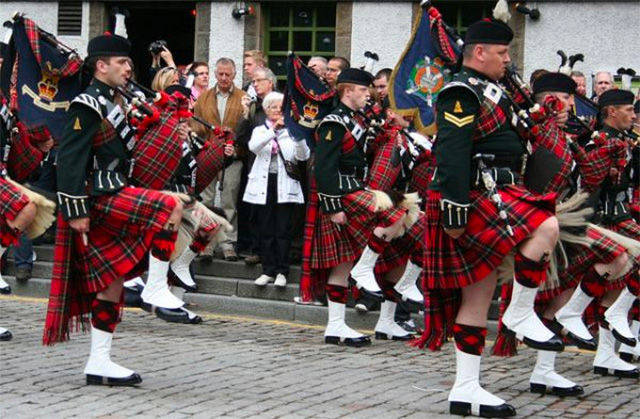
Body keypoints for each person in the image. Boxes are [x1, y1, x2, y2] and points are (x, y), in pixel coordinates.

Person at [420, 14, 562, 417]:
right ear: (478, 52)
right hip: (475, 194)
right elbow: (450, 152)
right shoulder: (460, 91)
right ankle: (519, 311)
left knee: (478, 295)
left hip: (499, 189)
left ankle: (465, 390)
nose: (507, 60)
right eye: (501, 53)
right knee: (546, 224)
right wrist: (454, 209)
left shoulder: (496, 88)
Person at [42, 33, 184, 386]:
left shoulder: (115, 101)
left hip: (117, 191)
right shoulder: (87, 104)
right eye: (122, 63)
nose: (128, 68)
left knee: (112, 283)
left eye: (129, 64)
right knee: (169, 205)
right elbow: (70, 160)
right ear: (101, 66)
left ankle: (99, 361)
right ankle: (153, 287)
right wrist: (74, 210)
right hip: (98, 198)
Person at [311, 68, 411, 346]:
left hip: (356, 189)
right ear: (348, 91)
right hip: (342, 194)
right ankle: (363, 271)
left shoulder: (355, 119)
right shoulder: (333, 123)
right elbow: (324, 168)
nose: (368, 95)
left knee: (342, 264)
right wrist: (332, 206)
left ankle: (336, 326)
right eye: (364, 90)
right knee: (398, 214)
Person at [243, 92, 310, 287]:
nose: (277, 111)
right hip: (264, 185)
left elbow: (303, 156)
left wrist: (297, 136)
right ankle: (268, 270)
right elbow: (254, 147)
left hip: (285, 185)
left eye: (281, 107)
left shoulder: (293, 130)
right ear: (266, 110)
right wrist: (274, 130)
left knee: (283, 230)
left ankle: (282, 271)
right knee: (266, 229)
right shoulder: (260, 130)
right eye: (273, 107)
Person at [193, 57, 248, 261]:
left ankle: (228, 243)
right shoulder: (204, 98)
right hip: (208, 156)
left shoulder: (244, 98)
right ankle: (206, 244)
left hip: (232, 157)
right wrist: (207, 146)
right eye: (220, 74)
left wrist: (234, 147)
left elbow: (246, 130)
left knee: (229, 202)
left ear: (234, 75)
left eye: (228, 74)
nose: (224, 78)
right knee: (206, 201)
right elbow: (195, 127)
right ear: (215, 74)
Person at [236, 67, 277, 265]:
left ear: (270, 83)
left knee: (275, 213)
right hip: (255, 165)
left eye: (259, 80)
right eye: (253, 81)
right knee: (255, 211)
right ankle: (256, 249)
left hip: (278, 168)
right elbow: (241, 137)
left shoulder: (281, 105)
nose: (254, 84)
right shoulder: (254, 107)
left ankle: (273, 253)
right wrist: (244, 114)